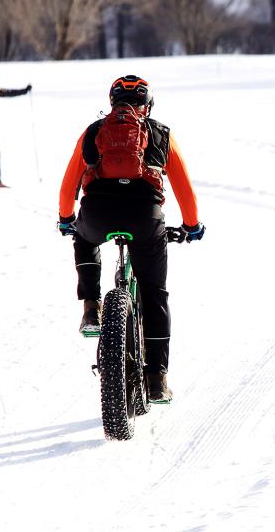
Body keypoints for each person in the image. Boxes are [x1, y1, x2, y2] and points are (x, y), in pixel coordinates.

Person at [55, 76, 205, 402]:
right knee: (154, 295)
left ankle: (92, 307)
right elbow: (184, 189)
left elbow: (68, 186)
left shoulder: (94, 132)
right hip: (145, 219)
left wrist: (68, 219)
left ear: (112, 102)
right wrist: (191, 226)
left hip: (97, 213)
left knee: (83, 236)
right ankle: (157, 379)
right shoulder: (161, 134)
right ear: (148, 105)